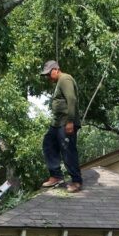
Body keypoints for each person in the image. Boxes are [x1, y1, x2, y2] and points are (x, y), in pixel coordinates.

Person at [40, 60, 83, 193]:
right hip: (57, 123)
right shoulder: (59, 81)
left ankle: (76, 181)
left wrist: (70, 121)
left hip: (66, 122)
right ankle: (56, 176)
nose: (47, 77)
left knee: (68, 150)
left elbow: (72, 99)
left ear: (56, 69)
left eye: (48, 74)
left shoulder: (65, 79)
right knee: (48, 143)